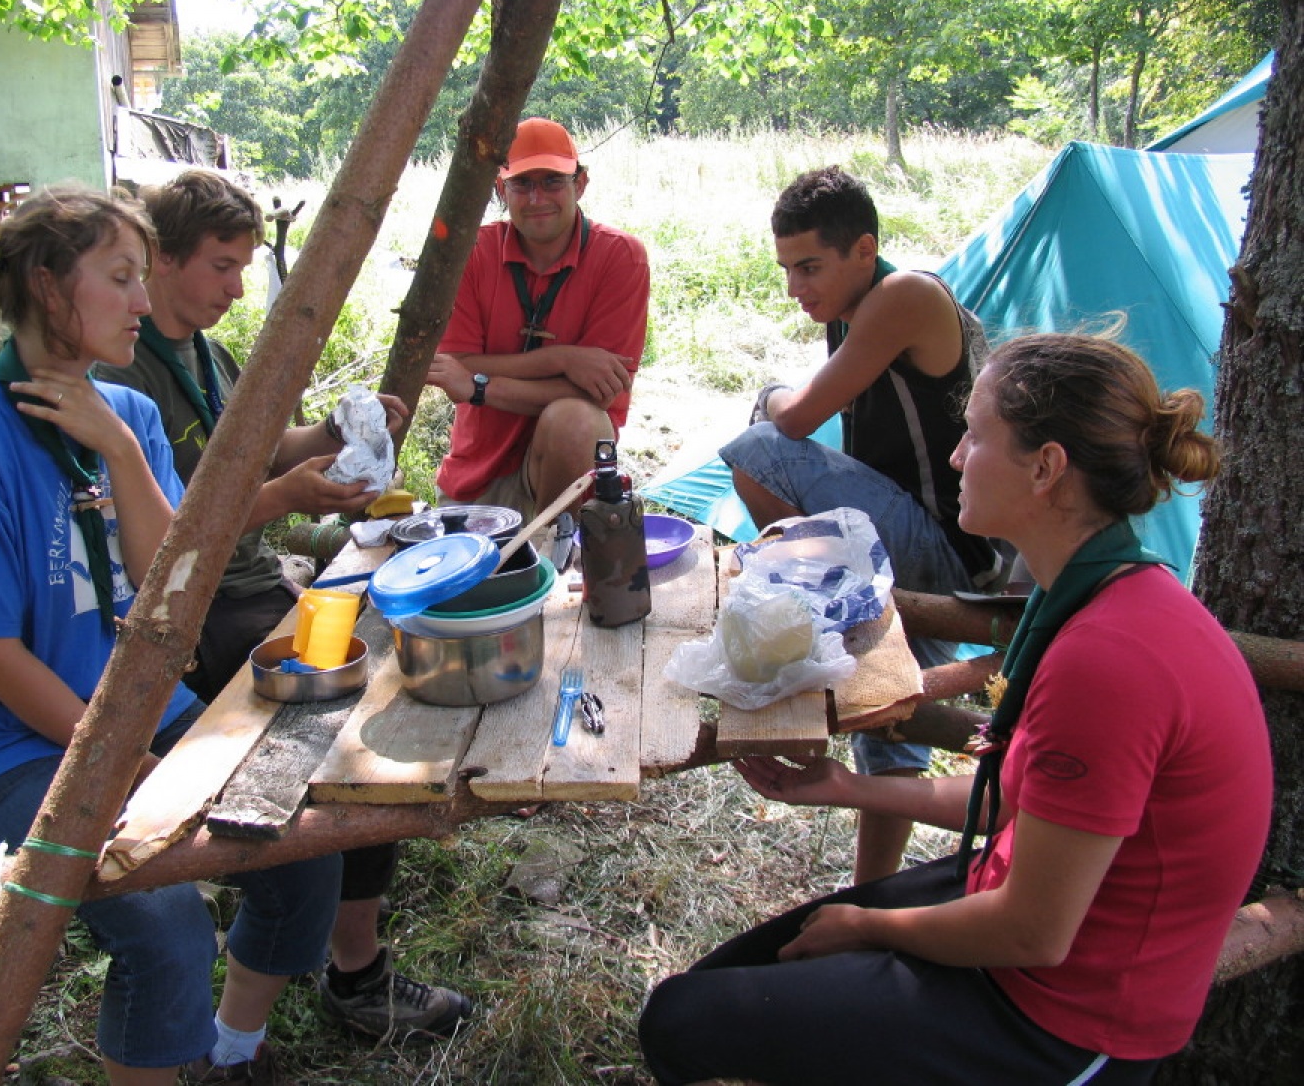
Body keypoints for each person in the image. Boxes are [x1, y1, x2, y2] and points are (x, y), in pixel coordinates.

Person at [639, 332, 1273, 1085]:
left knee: (679, 1021)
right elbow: (1018, 800)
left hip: (1060, 1017)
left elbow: (1035, 932)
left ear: (1046, 468)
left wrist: (871, 925)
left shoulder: (1109, 660)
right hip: (1011, 916)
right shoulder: (1103, 593)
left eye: (974, 435)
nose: (955, 456)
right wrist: (846, 786)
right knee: (725, 981)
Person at [0, 185, 342, 1085]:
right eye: (119, 277)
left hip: (134, 704)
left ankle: (231, 1054)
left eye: (143, 277)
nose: (143, 301)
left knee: (299, 844)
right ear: (46, 283)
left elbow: (166, 586)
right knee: (166, 923)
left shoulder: (128, 417)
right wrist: (129, 765)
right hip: (1, 742)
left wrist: (124, 451)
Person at [94, 169, 471, 1043]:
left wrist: (334, 434)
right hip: (194, 608)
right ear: (161, 259)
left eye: (243, 266)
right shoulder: (127, 371)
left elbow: (267, 449)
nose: (237, 288)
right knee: (346, 736)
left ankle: (345, 935)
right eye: (222, 265)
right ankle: (345, 968)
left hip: (256, 582)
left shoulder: (211, 356)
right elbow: (167, 539)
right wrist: (288, 497)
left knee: (381, 695)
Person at [722, 165, 1005, 884]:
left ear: (864, 249)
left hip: (950, 542)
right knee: (888, 718)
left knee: (760, 447)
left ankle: (822, 607)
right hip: (938, 541)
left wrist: (770, 393)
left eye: (810, 266)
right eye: (787, 269)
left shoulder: (904, 295)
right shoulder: (851, 307)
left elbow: (796, 419)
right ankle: (871, 893)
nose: (796, 287)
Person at [426, 117, 650, 519]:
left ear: (580, 184)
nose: (536, 198)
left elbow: (598, 394)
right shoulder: (472, 253)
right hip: (477, 473)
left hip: (570, 467)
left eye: (552, 181)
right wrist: (562, 359)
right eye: (522, 184)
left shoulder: (620, 257)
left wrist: (479, 386)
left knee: (575, 419)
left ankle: (556, 544)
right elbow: (452, 368)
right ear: (501, 189)